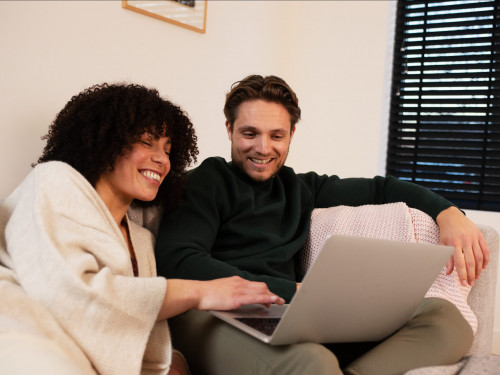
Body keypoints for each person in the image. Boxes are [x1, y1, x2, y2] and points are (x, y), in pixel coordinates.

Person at [154, 75, 490, 375]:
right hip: (212, 314)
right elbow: (178, 259)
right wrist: (289, 291)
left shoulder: (300, 188)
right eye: (249, 133)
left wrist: (448, 212)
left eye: (276, 135)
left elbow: (381, 187)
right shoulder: (208, 181)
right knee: (312, 362)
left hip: (288, 316)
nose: (263, 147)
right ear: (229, 129)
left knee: (446, 320)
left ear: (292, 135)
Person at [0, 83, 284, 375]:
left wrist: (173, 360)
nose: (162, 159)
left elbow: (131, 326)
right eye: (147, 143)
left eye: (167, 149)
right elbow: (68, 295)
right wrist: (200, 292)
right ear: (106, 141)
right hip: (28, 340)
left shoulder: (142, 238)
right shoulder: (54, 180)